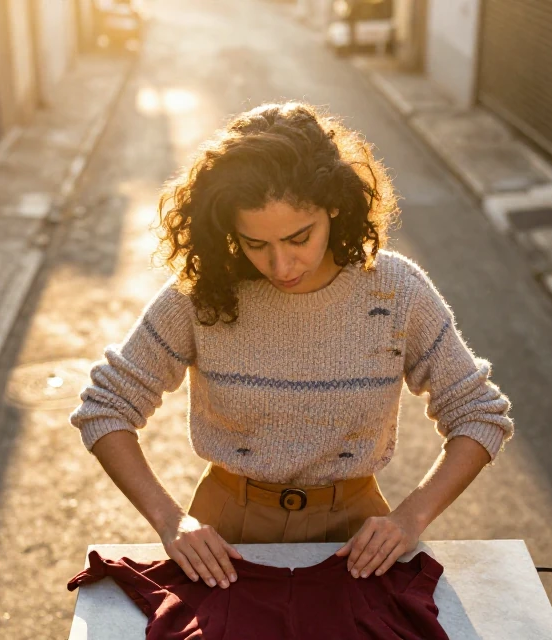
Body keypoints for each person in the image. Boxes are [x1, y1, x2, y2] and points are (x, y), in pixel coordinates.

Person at [69, 102, 514, 593]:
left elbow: (479, 415)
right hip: (225, 538)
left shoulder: (397, 291)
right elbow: (105, 406)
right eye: (255, 244)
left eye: (299, 238)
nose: (281, 266)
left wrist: (411, 517)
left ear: (335, 206)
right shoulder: (202, 294)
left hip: (355, 541)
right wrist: (170, 520)